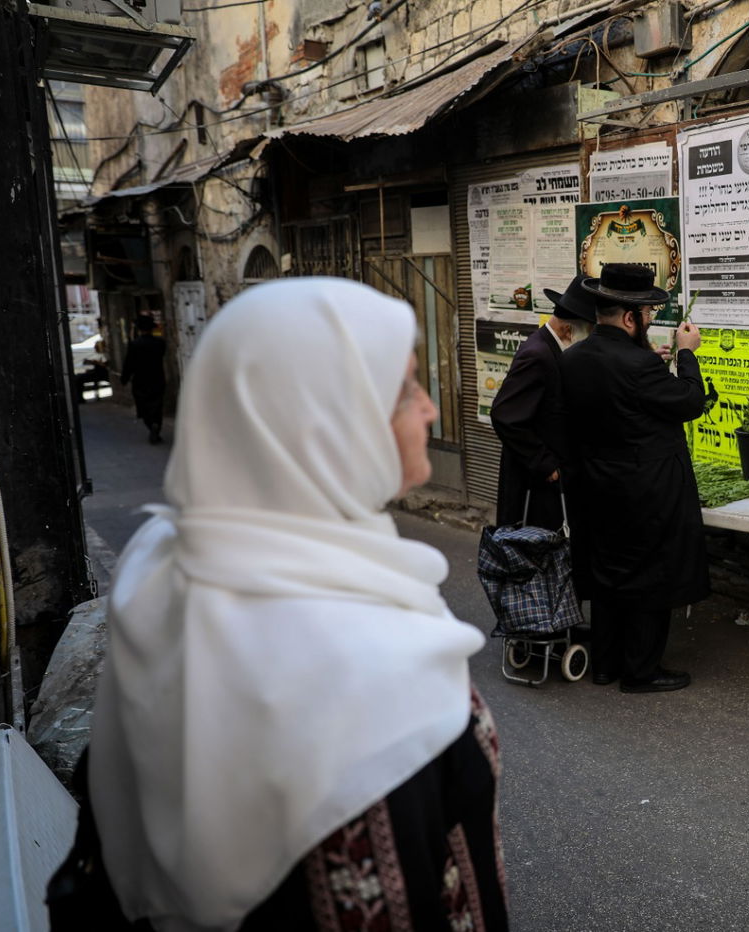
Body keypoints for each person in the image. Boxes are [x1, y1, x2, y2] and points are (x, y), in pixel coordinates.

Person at [50, 279, 507, 930]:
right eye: (404, 389)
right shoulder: (354, 668)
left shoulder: (167, 564)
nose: (431, 410)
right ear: (325, 420)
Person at [560, 264, 708, 693]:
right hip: (645, 493)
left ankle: (606, 665)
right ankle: (641, 672)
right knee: (649, 578)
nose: (650, 322)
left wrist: (651, 367)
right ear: (630, 318)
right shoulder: (640, 364)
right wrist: (686, 353)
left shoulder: (573, 359)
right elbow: (690, 402)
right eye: (648, 315)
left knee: (608, 575)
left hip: (595, 489)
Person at [490, 275, 596, 530]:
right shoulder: (538, 354)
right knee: (534, 557)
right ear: (569, 329)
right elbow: (504, 414)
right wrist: (545, 463)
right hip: (534, 486)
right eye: (589, 332)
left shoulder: (551, 349)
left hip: (545, 484)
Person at [120, 315, 167, 443]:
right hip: (157, 378)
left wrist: (124, 378)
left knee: (144, 406)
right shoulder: (160, 343)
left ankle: (151, 424)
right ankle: (156, 425)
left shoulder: (135, 345)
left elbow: (129, 364)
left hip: (141, 380)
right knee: (157, 405)